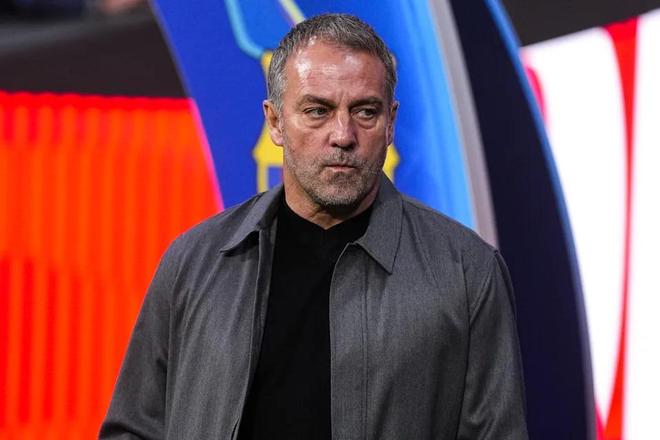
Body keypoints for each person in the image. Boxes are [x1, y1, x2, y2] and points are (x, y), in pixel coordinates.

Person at [100, 13, 528, 439]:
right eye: (317, 111)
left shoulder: (466, 271)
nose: (343, 135)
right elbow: (135, 429)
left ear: (391, 123)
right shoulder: (194, 262)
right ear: (275, 122)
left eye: (365, 111)